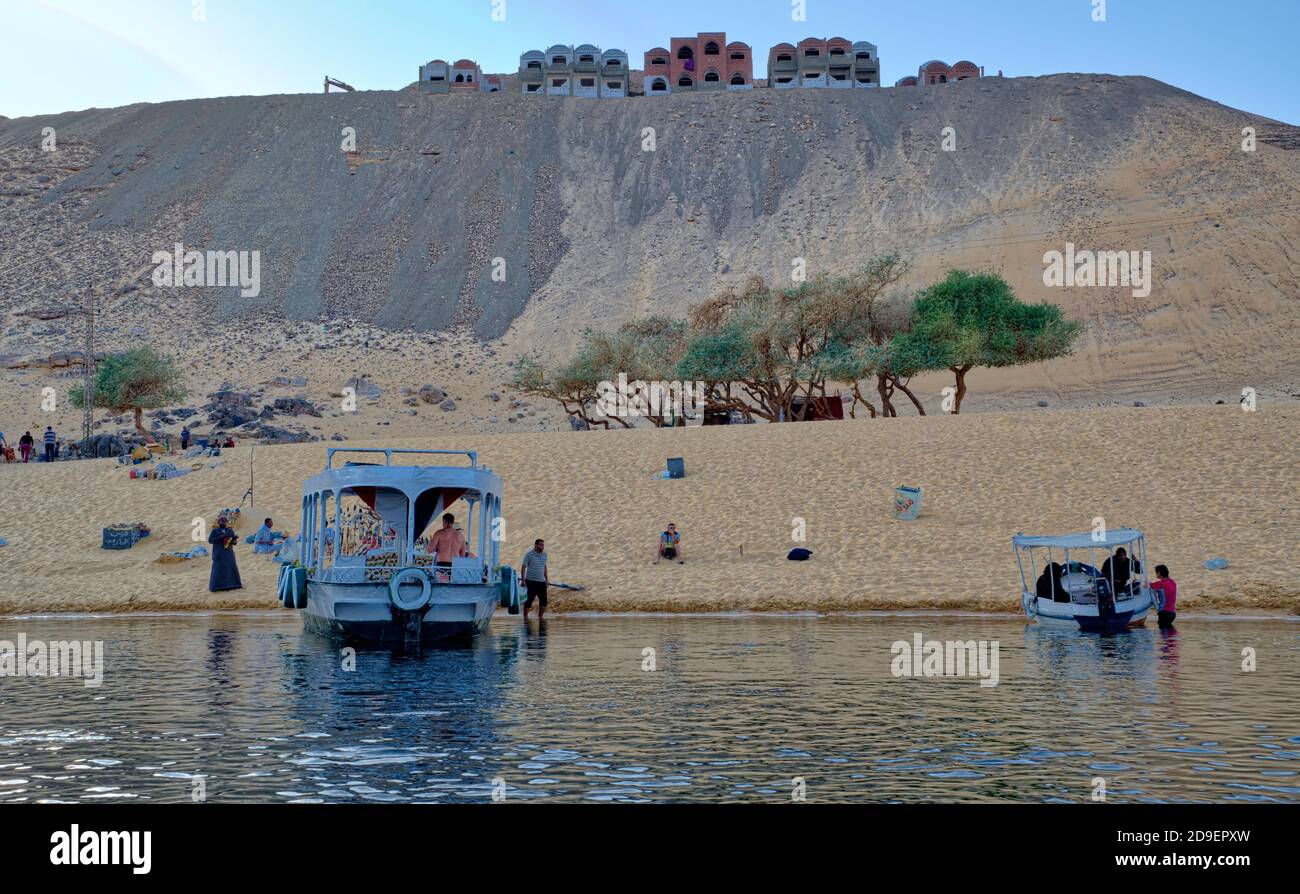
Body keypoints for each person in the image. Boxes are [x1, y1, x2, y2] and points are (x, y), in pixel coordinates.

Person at [208, 515, 243, 592]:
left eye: (225, 521)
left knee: (230, 568)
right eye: (222, 521)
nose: (224, 522)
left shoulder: (230, 530)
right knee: (218, 569)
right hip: (219, 553)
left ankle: (233, 585)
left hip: (228, 553)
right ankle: (217, 587)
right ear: (219, 522)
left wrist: (233, 540)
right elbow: (210, 540)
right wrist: (221, 537)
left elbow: (234, 542)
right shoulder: (215, 531)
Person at [427, 512, 468, 577]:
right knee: (452, 586)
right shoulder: (461, 536)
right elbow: (462, 554)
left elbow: (429, 550)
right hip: (455, 565)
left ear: (444, 521)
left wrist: (435, 546)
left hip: (442, 564)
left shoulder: (439, 533)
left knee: (442, 585)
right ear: (453, 522)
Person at [520, 538, 549, 621]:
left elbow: (544, 567)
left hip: (541, 582)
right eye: (540, 545)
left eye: (543, 545)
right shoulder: (529, 555)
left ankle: (540, 617)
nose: (542, 546)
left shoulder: (544, 555)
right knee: (529, 601)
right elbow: (523, 567)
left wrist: (547, 580)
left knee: (544, 601)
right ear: (536, 545)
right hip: (530, 581)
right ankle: (525, 617)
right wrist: (523, 580)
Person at [1149, 564, 1177, 628]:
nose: (1156, 574)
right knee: (1169, 634)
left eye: (1156, 572)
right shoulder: (1172, 581)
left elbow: (1149, 586)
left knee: (1163, 633)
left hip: (1165, 613)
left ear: (1159, 573)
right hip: (1172, 613)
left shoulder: (1161, 584)